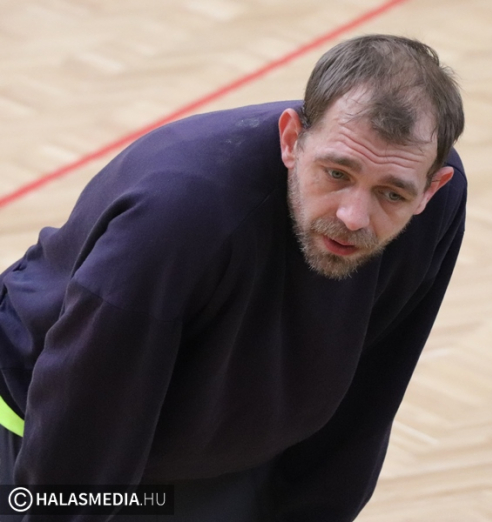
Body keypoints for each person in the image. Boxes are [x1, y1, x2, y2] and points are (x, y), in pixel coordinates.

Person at [0, 34, 465, 521]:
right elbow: (88, 407)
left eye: (391, 194)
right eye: (337, 174)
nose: (353, 217)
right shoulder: (176, 215)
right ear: (292, 140)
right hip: (58, 444)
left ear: (431, 188)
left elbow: (373, 387)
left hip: (225, 453)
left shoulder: (430, 203)